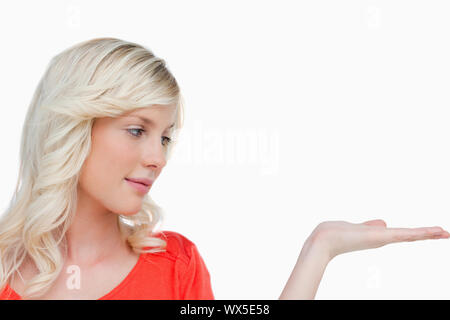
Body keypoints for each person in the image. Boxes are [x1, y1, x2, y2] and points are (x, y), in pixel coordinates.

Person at [0, 38, 447, 300]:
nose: (157, 157)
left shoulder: (175, 266)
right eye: (137, 130)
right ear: (73, 128)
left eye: (166, 137)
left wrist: (319, 248)